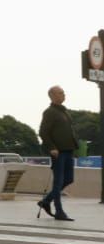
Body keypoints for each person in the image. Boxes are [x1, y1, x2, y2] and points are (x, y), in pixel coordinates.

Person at [38, 85, 78, 221]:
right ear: (53, 96)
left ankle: (46, 201)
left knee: (69, 179)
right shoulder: (50, 112)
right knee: (58, 182)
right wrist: (52, 147)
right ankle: (59, 212)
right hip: (58, 152)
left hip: (68, 150)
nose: (64, 95)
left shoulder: (64, 112)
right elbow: (43, 132)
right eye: (61, 93)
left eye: (63, 92)